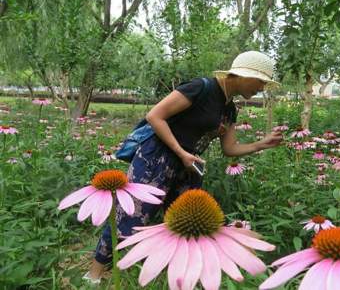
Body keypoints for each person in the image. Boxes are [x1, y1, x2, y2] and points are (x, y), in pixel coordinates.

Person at [84, 50, 283, 283]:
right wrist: (181, 153)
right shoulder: (201, 88)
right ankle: (94, 275)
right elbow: (155, 116)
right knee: (130, 216)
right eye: (260, 81)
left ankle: (173, 278)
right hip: (156, 160)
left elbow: (229, 148)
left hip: (188, 169)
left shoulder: (230, 109)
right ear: (240, 74)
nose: (261, 87)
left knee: (180, 227)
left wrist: (262, 144)